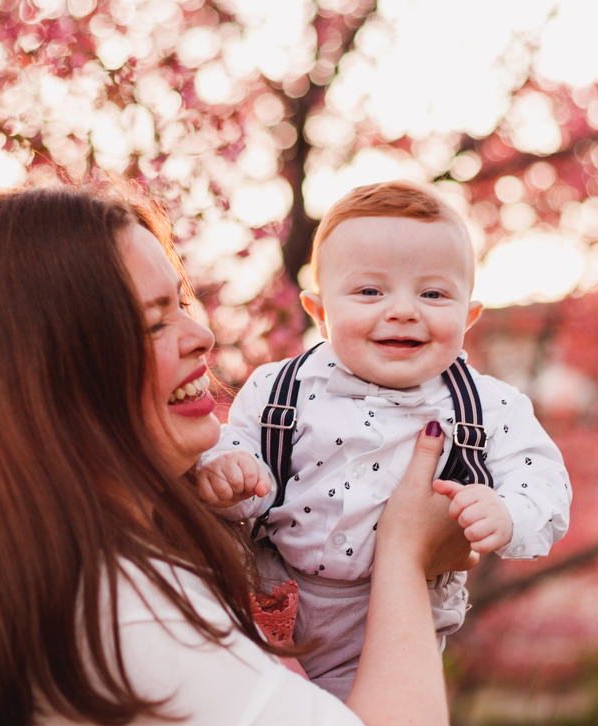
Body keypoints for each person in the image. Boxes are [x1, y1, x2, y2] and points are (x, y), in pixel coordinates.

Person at [0, 183, 476, 726]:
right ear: (58, 376)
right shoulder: (115, 606)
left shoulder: (86, 559)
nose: (200, 336)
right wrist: (404, 553)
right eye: (154, 322)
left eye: (182, 302)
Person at [197, 181, 572, 698]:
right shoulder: (279, 388)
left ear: (468, 316)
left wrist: (507, 513)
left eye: (433, 293)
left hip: (394, 615)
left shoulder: (487, 406)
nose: (402, 310)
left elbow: (545, 483)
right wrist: (228, 468)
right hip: (271, 595)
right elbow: (235, 446)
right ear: (319, 311)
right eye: (370, 291)